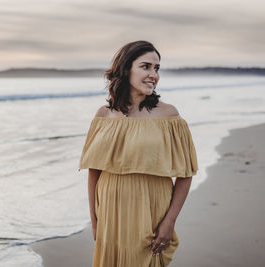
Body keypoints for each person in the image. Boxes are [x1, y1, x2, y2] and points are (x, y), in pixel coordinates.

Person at [78, 40, 198, 267]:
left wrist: (169, 222)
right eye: (146, 66)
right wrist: (95, 220)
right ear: (125, 69)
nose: (153, 74)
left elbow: (186, 173)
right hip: (111, 211)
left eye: (157, 68)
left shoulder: (168, 115)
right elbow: (94, 169)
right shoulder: (104, 115)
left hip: (151, 208)